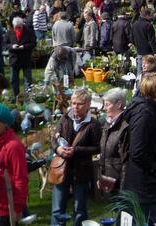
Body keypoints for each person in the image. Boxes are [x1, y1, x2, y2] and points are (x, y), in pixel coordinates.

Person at [121, 73, 156, 224]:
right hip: (145, 186)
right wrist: (155, 169)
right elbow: (137, 152)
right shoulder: (145, 114)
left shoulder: (152, 109)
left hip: (148, 183)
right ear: (155, 91)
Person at [51, 87, 101, 226]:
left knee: (80, 209)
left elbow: (98, 147)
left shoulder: (93, 124)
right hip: (62, 167)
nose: (75, 107)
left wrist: (76, 150)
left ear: (88, 105)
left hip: (81, 170)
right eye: (73, 103)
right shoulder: (65, 118)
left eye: (79, 104)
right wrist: (59, 149)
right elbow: (54, 139)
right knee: (57, 208)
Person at [0, 103, 29, 226]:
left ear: (6, 124)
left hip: (7, 207)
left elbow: (21, 178)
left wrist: (17, 207)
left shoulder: (13, 146)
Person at [99, 87, 129, 193]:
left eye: (107, 105)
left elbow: (126, 161)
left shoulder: (124, 127)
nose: (104, 108)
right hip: (110, 179)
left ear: (119, 104)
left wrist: (123, 188)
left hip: (120, 182)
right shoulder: (108, 124)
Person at [4, 16, 36, 96]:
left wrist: (24, 46)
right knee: (13, 79)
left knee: (28, 79)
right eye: (16, 27)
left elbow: (33, 43)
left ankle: (28, 96)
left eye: (19, 27)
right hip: (14, 59)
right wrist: (12, 46)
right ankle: (16, 96)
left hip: (25, 58)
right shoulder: (9, 32)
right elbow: (4, 44)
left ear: (22, 25)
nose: (18, 28)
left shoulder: (29, 32)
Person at [132, 9, 156, 76]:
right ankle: (149, 84)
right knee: (150, 69)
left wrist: (136, 45)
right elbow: (151, 40)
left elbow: (132, 38)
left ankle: (139, 85)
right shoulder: (148, 25)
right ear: (147, 16)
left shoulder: (134, 24)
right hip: (148, 51)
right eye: (150, 16)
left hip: (139, 50)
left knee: (140, 70)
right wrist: (155, 52)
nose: (150, 17)